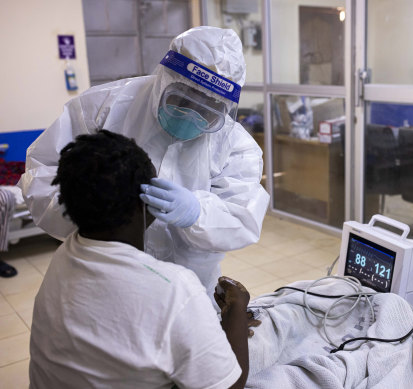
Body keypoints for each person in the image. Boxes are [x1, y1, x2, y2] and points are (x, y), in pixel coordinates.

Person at [18, 26, 269, 297]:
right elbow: (43, 170)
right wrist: (91, 211)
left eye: (208, 112)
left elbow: (242, 217)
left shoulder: (236, 145)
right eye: (181, 101)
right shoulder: (105, 106)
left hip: (189, 284)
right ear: (165, 78)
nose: (191, 116)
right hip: (103, 274)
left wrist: (197, 212)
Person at [30, 130, 251, 388]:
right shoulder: (175, 288)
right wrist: (237, 310)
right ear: (143, 204)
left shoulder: (65, 256)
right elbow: (230, 385)